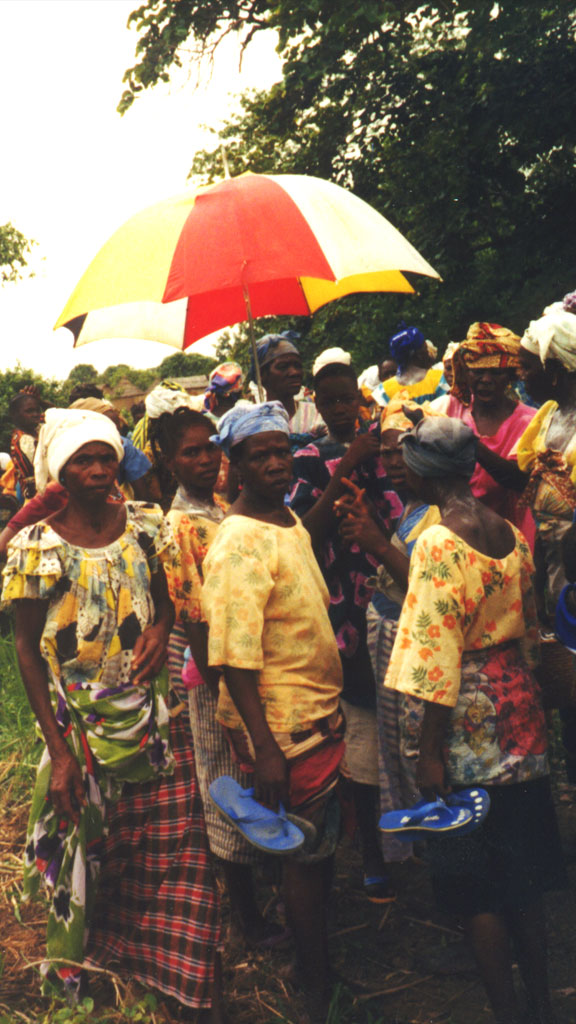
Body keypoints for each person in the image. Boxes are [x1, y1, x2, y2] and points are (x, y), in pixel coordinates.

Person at [3, 408, 223, 1021]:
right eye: (83, 461)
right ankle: (91, 971)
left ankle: (176, 975)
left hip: (153, 718)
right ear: (58, 472)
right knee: (91, 851)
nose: (100, 470)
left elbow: (168, 597)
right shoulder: (36, 547)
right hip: (80, 723)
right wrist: (62, 751)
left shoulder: (147, 526)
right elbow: (26, 651)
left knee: (175, 847)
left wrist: (160, 625)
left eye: (106, 457)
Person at [385, 417, 565, 1024]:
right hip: (520, 714)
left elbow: (437, 658)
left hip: (466, 723)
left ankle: (509, 1012)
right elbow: (533, 630)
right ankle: (541, 1002)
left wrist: (430, 751)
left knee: (475, 884)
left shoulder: (439, 542)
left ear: (425, 471)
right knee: (522, 876)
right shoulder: (509, 533)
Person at [202, 402, 344, 1020]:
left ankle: (315, 963)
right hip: (284, 725)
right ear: (232, 465)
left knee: (316, 850)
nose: (273, 463)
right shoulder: (236, 541)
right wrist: (265, 748)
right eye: (257, 454)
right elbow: (233, 656)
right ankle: (317, 991)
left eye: (280, 451)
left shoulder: (283, 518)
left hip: (316, 712)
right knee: (305, 859)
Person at [156, 406, 284, 948]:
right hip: (210, 673)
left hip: (241, 666)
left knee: (249, 780)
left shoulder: (217, 510)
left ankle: (269, 885)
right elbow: (196, 621)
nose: (206, 459)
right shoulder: (182, 525)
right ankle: (247, 918)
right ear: (168, 461)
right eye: (191, 452)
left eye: (211, 447)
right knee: (223, 786)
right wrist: (225, 699)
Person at [290, 355, 403, 901]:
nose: (339, 410)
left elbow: (399, 514)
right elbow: (305, 534)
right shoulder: (308, 457)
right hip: (340, 614)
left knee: (397, 721)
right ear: (315, 401)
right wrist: (344, 467)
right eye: (328, 401)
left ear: (361, 401)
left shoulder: (384, 449)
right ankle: (375, 857)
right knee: (358, 730)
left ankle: (407, 835)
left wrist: (367, 466)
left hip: (386, 600)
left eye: (347, 400)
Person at [337, 401, 440, 862]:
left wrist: (375, 542)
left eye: (406, 452)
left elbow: (425, 585)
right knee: (401, 747)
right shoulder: (415, 507)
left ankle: (437, 847)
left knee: (418, 747)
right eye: (389, 454)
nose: (396, 464)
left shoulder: (439, 515)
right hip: (396, 640)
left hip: (416, 644)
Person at [436, 322, 537, 548]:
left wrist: (470, 443)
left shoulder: (529, 422)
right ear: (466, 372)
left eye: (496, 372)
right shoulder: (450, 409)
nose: (486, 380)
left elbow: (519, 480)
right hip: (459, 538)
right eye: (478, 371)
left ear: (511, 375)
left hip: (511, 539)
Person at [251, 331, 325, 441]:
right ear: (262, 375)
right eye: (283, 366)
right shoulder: (253, 423)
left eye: (297, 365)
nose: (294, 372)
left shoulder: (317, 414)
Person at [372, 323, 448, 407]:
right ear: (419, 354)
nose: (428, 353)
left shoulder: (384, 391)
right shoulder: (439, 379)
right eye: (425, 348)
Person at [9, 386, 45, 501]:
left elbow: (62, 415)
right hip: (38, 496)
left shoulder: (37, 429)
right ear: (16, 415)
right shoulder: (24, 441)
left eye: (37, 410)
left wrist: (41, 401)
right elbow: (33, 480)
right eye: (29, 411)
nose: (35, 414)